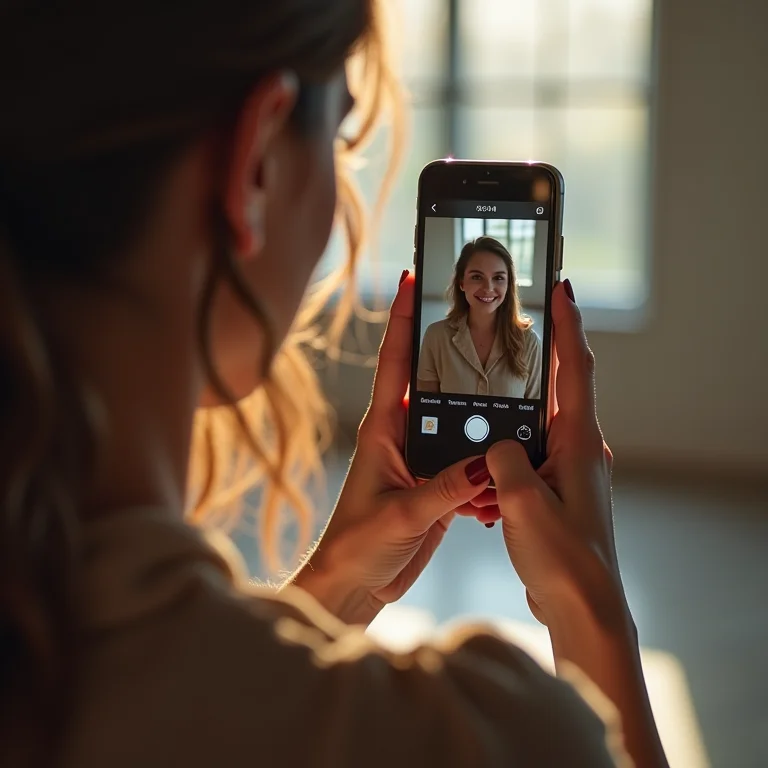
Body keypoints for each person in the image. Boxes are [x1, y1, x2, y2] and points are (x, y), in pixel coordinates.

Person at [0, 1, 669, 767]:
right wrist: (591, 616)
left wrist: (333, 590)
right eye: (342, 140)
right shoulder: (488, 739)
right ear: (254, 164)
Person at [418, 236, 543, 398]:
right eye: (477, 277)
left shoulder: (530, 342)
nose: (488, 288)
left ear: (508, 285)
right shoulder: (435, 336)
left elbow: (533, 415)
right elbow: (427, 410)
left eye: (498, 278)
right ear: (461, 282)